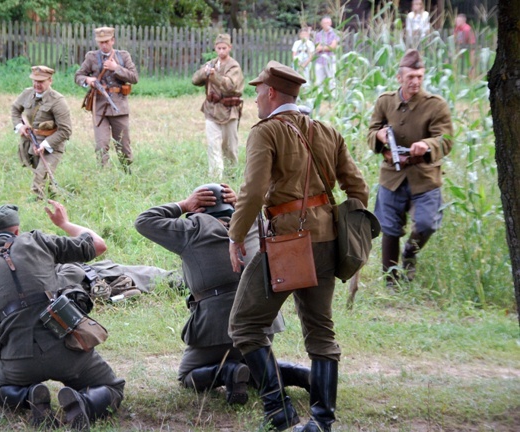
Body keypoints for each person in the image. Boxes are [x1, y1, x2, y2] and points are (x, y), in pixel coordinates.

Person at [227, 61, 368, 432]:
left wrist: (235, 234)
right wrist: (352, 233)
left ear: (271, 93)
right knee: (321, 331)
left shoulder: (266, 132)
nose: (255, 97)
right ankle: (321, 421)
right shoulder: (326, 131)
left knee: (244, 325)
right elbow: (358, 189)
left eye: (258, 90)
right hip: (328, 241)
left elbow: (254, 192)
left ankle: (278, 411)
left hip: (289, 242)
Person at [0, 201, 125, 430]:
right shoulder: (37, 240)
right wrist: (65, 223)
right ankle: (84, 403)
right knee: (113, 387)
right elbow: (98, 245)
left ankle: (30, 396)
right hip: (68, 348)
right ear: (17, 231)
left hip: (17, 361)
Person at [134, 184, 311, 406]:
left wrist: (183, 205)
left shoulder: (193, 228)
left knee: (187, 374)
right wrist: (243, 207)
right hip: (262, 321)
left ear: (198, 209)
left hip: (217, 326)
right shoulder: (256, 224)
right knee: (255, 366)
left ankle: (229, 371)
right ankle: (298, 373)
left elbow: (144, 221)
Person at [367, 50, 453, 288]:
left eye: (419, 76)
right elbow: (371, 133)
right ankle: (391, 282)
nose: (415, 81)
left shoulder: (435, 106)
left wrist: (426, 145)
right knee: (390, 229)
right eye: (411, 77)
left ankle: (410, 253)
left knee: (426, 224)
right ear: (399, 77)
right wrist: (379, 135)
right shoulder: (385, 102)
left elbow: (446, 140)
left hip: (424, 177)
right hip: (392, 175)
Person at [75, 26, 139, 173]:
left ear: (113, 40)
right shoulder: (91, 57)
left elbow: (134, 78)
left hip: (119, 106)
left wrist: (116, 68)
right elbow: (78, 76)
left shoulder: (123, 56)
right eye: (101, 42)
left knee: (123, 145)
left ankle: (127, 173)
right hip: (100, 107)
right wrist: (88, 80)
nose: (104, 45)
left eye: (106, 41)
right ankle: (104, 175)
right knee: (101, 145)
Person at [11, 65, 72, 200]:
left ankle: (37, 207)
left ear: (50, 81)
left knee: (39, 181)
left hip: (51, 147)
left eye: (41, 81)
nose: (37, 84)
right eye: (35, 81)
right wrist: (19, 126)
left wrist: (45, 144)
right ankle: (54, 197)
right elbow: (15, 110)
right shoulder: (27, 94)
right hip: (31, 143)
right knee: (45, 178)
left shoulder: (58, 101)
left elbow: (66, 130)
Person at [192, 34, 244, 179]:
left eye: (224, 48)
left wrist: (214, 76)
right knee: (213, 146)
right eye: (219, 48)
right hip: (211, 110)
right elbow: (195, 80)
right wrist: (204, 72)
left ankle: (232, 177)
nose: (221, 51)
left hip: (229, 111)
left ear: (229, 48)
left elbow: (230, 86)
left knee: (230, 148)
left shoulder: (234, 66)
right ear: (215, 48)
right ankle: (215, 179)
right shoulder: (211, 63)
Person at [313, 16, 339, 89]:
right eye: (324, 23)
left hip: (330, 60)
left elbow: (333, 47)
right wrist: (326, 47)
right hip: (319, 60)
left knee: (332, 79)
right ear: (321, 24)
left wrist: (322, 48)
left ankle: (333, 96)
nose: (326, 24)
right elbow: (317, 47)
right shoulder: (318, 35)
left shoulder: (334, 34)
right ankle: (319, 96)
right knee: (319, 80)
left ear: (330, 23)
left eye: (327, 22)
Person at [453, 13, 476, 79]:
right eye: (456, 21)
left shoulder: (467, 29)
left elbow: (467, 40)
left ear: (464, 21)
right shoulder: (457, 28)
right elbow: (455, 38)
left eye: (459, 21)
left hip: (470, 47)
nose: (457, 22)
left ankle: (471, 78)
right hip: (461, 47)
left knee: (471, 64)